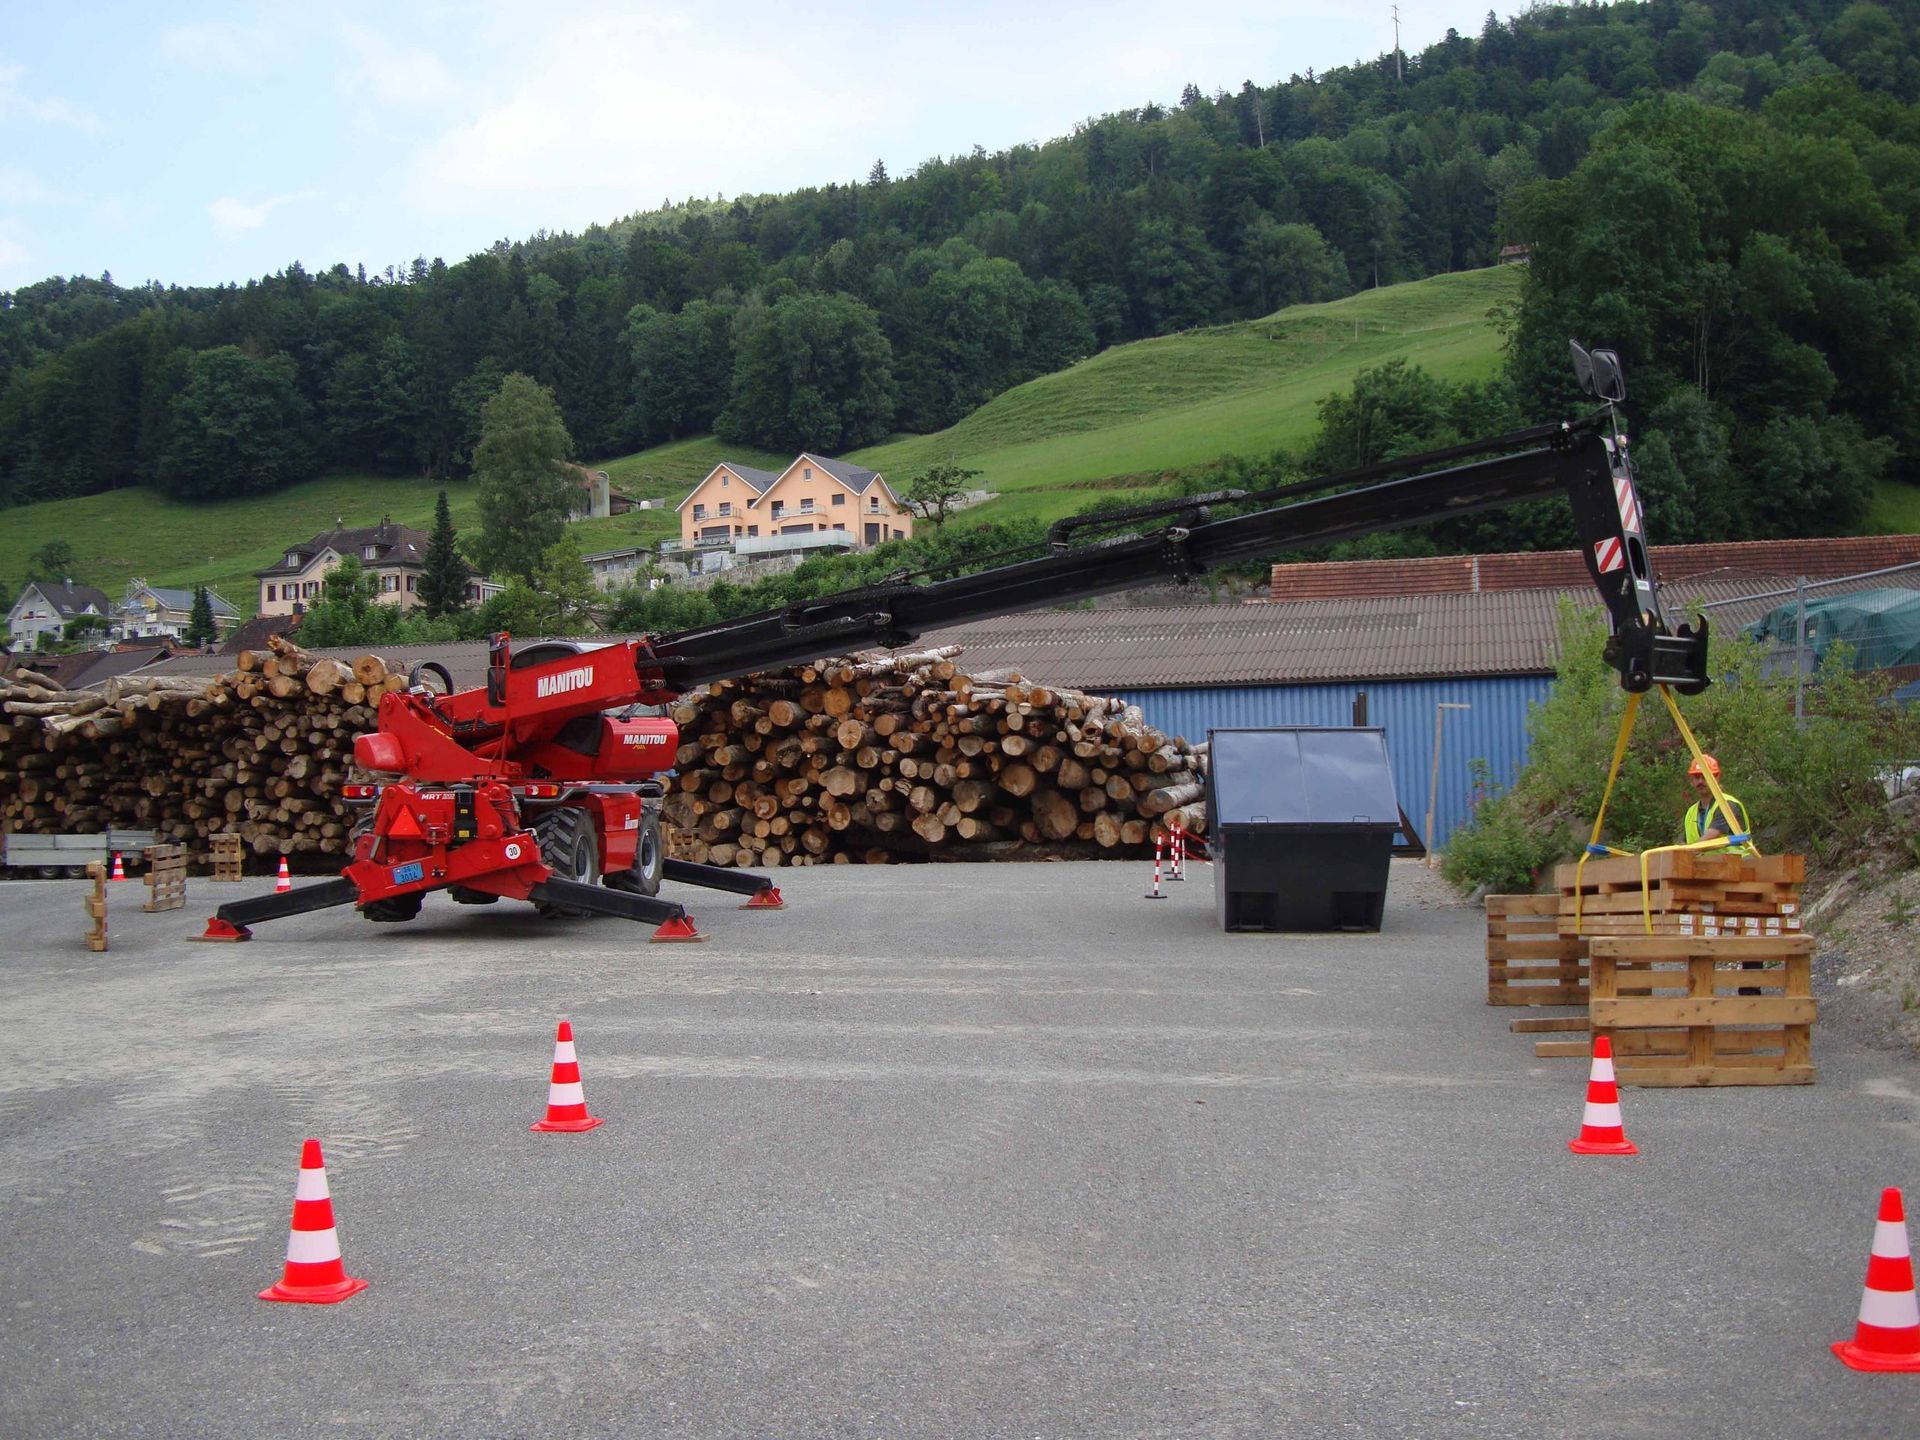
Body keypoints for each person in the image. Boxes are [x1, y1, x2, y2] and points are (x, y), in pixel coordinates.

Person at [1682, 753, 1752, 853]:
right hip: (1707, 863)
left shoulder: (1727, 805)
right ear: (1692, 781)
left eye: (1705, 776)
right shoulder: (1691, 812)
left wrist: (1685, 851)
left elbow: (1709, 839)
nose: (1700, 781)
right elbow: (1684, 843)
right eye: (1697, 777)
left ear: (1717, 778)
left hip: (1738, 862)